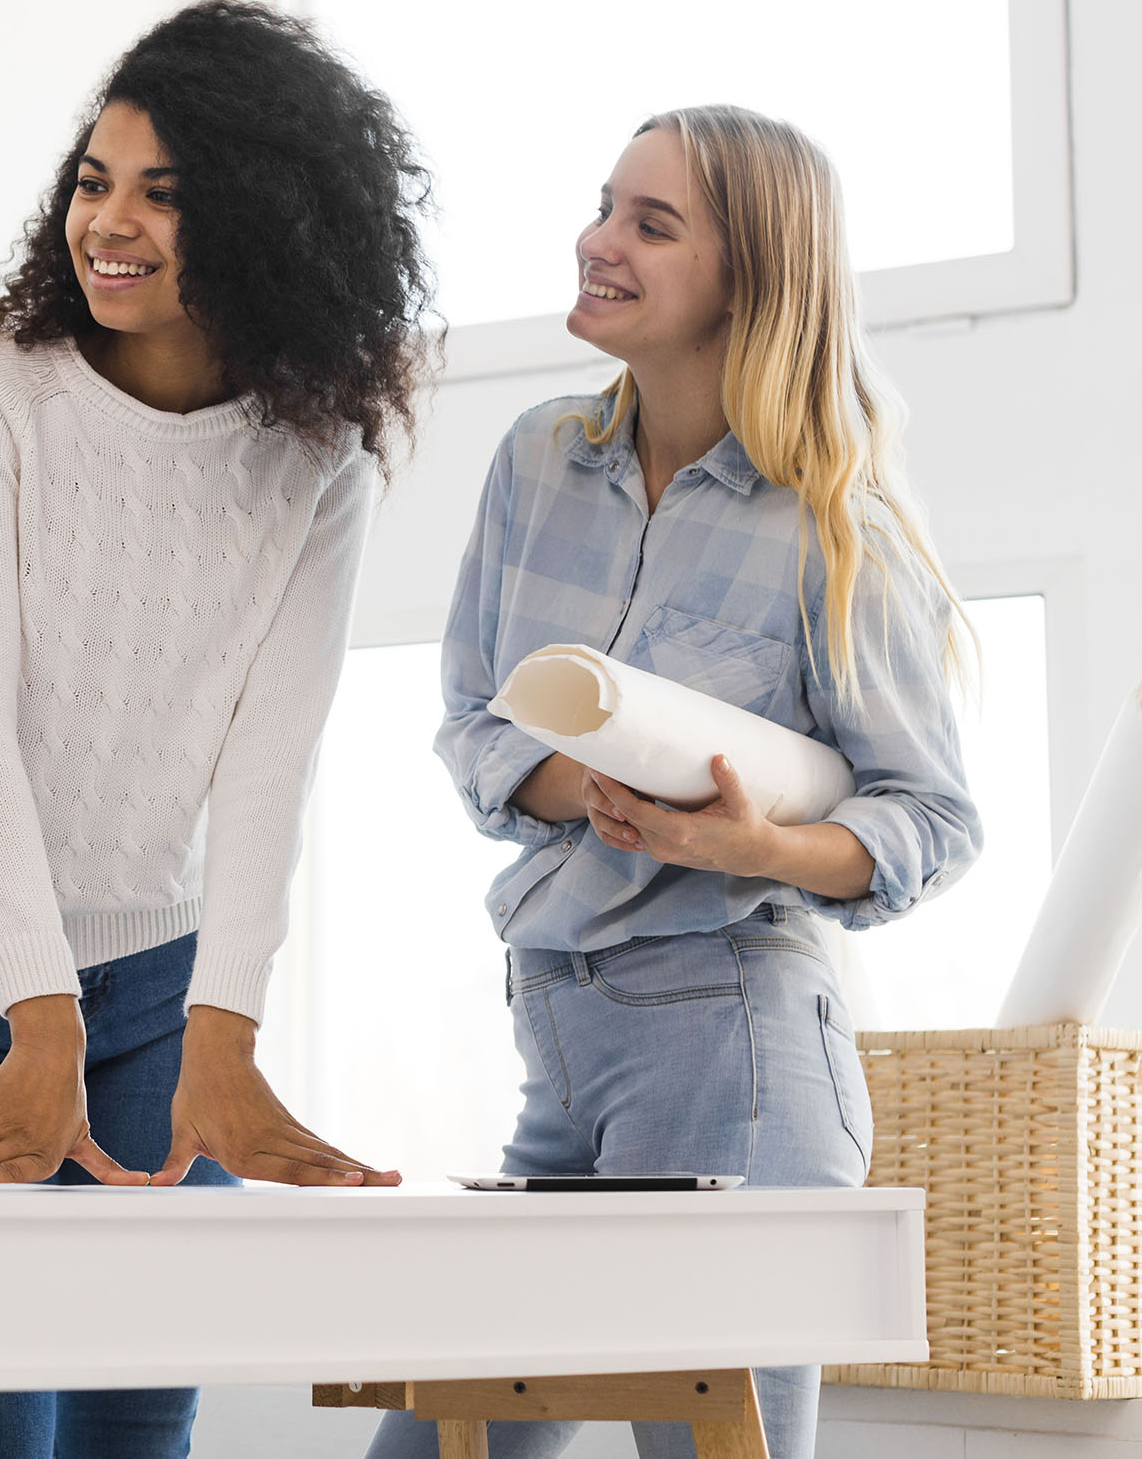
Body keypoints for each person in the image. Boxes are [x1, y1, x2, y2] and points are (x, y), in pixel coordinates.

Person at [0, 0, 435, 1457]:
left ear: (269, 217)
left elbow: (267, 762)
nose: (109, 223)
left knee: (135, 1411)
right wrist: (38, 1018)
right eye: (95, 181)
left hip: (159, 986)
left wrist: (219, 1033)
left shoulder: (316, 454)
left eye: (165, 195)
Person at [366, 105, 982, 1459]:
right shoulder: (538, 461)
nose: (599, 241)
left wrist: (752, 845)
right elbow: (473, 721)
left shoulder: (834, 525)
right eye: (604, 206)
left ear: (749, 278)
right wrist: (572, 782)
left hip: (736, 1054)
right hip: (562, 1038)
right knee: (437, 1439)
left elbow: (930, 818)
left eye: (652, 224)